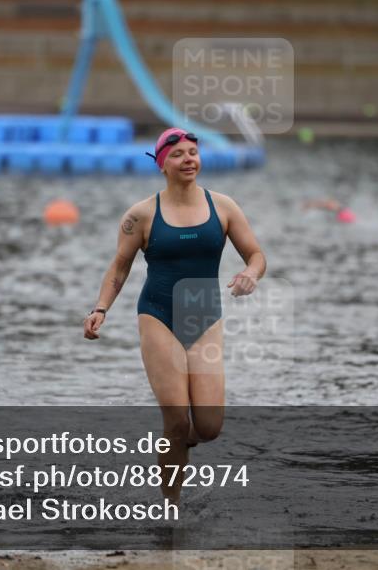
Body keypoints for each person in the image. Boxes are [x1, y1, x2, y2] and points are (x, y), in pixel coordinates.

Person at [83, 128, 266, 504]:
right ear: (162, 164)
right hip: (158, 315)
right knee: (178, 419)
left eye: (193, 152)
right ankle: (170, 508)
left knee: (209, 427)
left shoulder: (224, 207)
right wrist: (101, 308)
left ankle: (180, 443)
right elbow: (120, 267)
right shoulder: (141, 215)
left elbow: (256, 255)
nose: (188, 160)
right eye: (178, 154)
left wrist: (251, 273)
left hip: (204, 316)